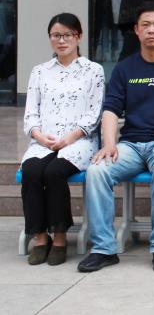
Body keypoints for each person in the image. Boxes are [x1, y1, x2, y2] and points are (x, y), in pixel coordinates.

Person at [79, 1, 154, 273]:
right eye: (146, 25)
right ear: (136, 30)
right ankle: (104, 249)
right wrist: (109, 144)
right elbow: (111, 109)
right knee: (97, 170)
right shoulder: (125, 68)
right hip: (130, 144)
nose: (151, 30)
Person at [21, 14, 104, 266]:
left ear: (79, 36)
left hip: (79, 141)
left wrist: (69, 138)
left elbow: (94, 114)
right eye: (56, 35)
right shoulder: (40, 71)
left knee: (54, 172)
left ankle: (59, 237)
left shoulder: (93, 70)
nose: (62, 40)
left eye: (68, 35)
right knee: (32, 171)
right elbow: (30, 114)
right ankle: (39, 236)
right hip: (43, 141)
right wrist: (39, 136)